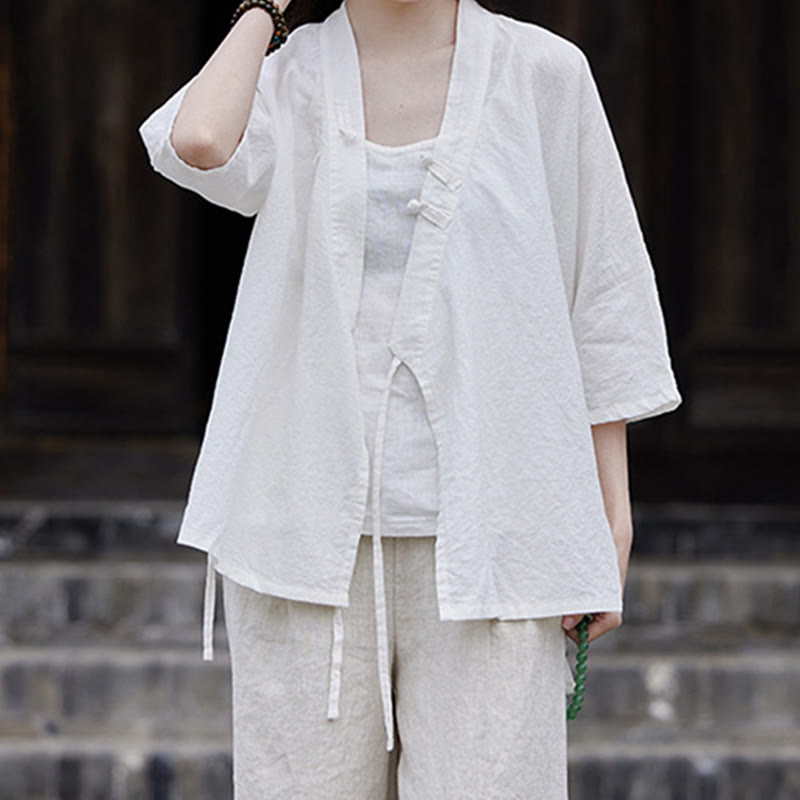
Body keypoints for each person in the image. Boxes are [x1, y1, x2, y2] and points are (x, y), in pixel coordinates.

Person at [138, 0, 683, 797]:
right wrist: (263, 9)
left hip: (498, 543)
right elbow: (199, 143)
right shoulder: (289, 76)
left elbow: (598, 294)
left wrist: (609, 517)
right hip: (304, 547)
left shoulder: (543, 73)